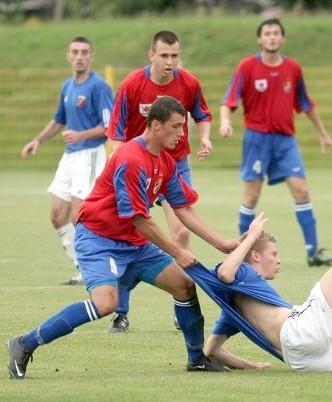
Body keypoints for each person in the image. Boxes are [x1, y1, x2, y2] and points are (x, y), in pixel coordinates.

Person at [6, 96, 240, 380]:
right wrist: (177, 252)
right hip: (99, 239)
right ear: (155, 125)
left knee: (184, 286)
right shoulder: (131, 159)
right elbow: (141, 219)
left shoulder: (166, 161)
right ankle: (25, 343)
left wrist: (222, 243)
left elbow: (183, 208)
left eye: (184, 126)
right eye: (176, 126)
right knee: (106, 304)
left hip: (136, 244)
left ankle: (196, 359)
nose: (182, 133)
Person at [185, 213, 332, 373]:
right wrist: (253, 235)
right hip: (300, 331)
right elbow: (226, 272)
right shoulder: (244, 271)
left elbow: (212, 351)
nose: (278, 260)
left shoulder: (233, 310)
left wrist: (250, 366)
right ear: (255, 256)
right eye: (274, 254)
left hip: (299, 359)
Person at [106, 30, 215, 332]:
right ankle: (121, 310)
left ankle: (182, 303)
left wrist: (205, 137)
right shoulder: (132, 84)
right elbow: (116, 133)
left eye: (175, 55)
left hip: (174, 166)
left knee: (180, 233)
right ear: (151, 55)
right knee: (129, 237)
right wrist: (121, 165)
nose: (170, 62)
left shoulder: (189, 82)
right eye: (164, 55)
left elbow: (202, 113)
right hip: (137, 167)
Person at [219, 18, 332, 268]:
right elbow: (228, 100)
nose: (272, 37)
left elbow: (306, 104)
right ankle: (242, 252)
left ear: (282, 39)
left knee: (302, 190)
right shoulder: (247, 67)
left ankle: (313, 251)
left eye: (276, 33)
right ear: (260, 39)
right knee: (251, 195)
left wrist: (323, 133)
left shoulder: (292, 69)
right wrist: (225, 121)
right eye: (267, 33)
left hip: (285, 141)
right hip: (257, 139)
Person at [20, 36, 114, 286]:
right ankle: (81, 267)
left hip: (91, 155)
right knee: (56, 215)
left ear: (91, 56)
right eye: (75, 51)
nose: (80, 56)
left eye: (84, 52)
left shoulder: (99, 86)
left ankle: (94, 269)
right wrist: (37, 140)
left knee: (79, 215)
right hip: (70, 157)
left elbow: (109, 126)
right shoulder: (68, 86)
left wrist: (81, 135)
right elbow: (58, 119)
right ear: (68, 56)